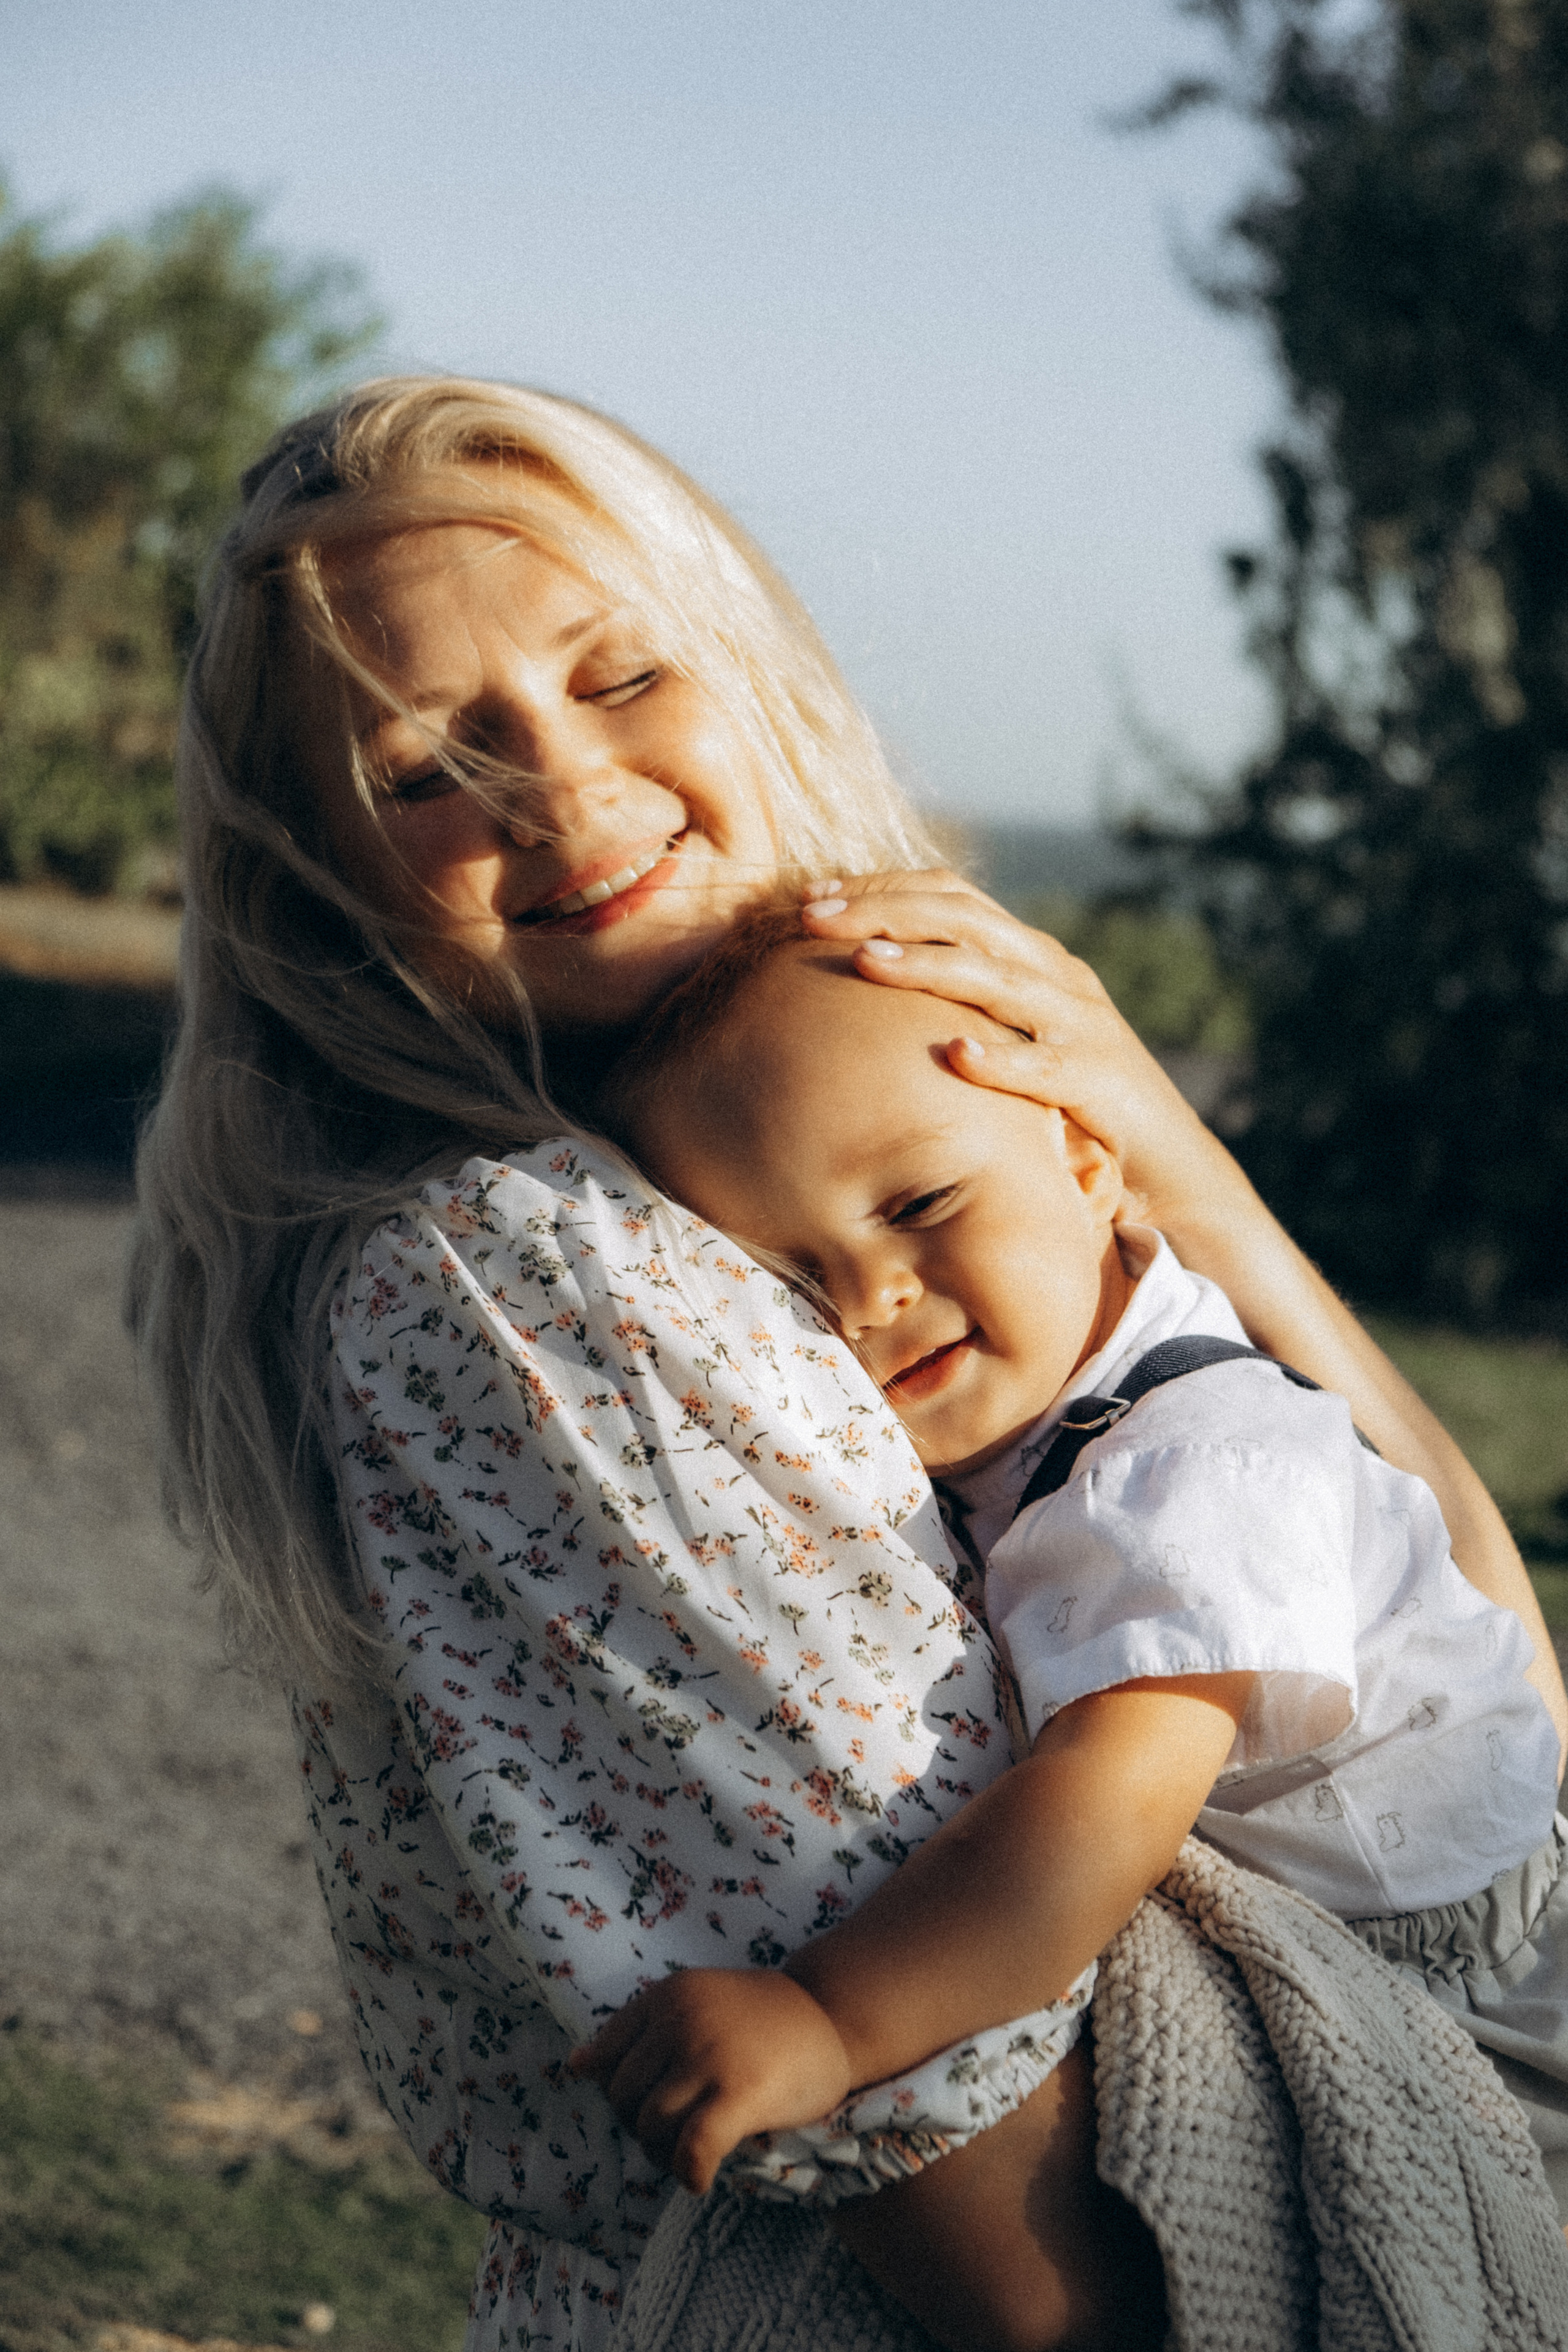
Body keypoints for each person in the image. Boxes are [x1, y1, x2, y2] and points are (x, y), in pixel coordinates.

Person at [128, 375, 1566, 2352]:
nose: (559, 793)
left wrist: (1163, 1161)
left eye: (619, 673)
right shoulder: (542, 1278)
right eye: (428, 771)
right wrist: (830, 2023)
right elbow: (1000, 2213)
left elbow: (1481, 1652)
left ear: (741, 655)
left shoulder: (841, 1114)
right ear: (321, 880)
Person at [573, 908, 1568, 2339]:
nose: (869, 1298)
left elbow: (1104, 1803)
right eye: (789, 1285)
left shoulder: (1192, 1464)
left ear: (1091, 1163)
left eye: (917, 1207)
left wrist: (831, 2021)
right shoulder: (1017, 1415)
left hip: (1487, 2013)